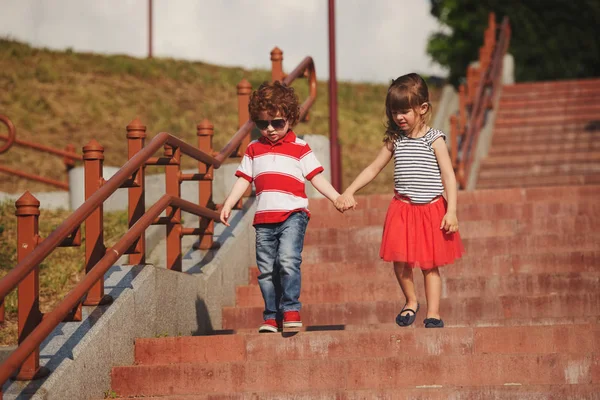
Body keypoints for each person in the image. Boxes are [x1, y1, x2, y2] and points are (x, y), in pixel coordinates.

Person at [335, 73, 465, 328]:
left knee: (430, 266)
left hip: (431, 210)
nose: (399, 117)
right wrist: (349, 190)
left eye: (405, 111)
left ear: (423, 108)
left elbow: (448, 176)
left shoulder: (434, 139)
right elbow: (373, 168)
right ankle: (411, 301)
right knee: (400, 262)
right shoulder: (396, 140)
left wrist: (452, 211)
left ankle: (434, 313)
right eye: (395, 112)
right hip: (402, 209)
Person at [220, 81, 342, 333]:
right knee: (266, 271)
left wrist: (336, 197)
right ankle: (271, 316)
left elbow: (316, 178)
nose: (271, 130)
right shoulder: (254, 149)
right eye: (263, 124)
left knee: (287, 260)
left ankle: (291, 309)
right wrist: (230, 203)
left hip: (293, 216)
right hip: (264, 220)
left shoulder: (300, 148)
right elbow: (244, 179)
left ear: (290, 118)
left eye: (277, 123)